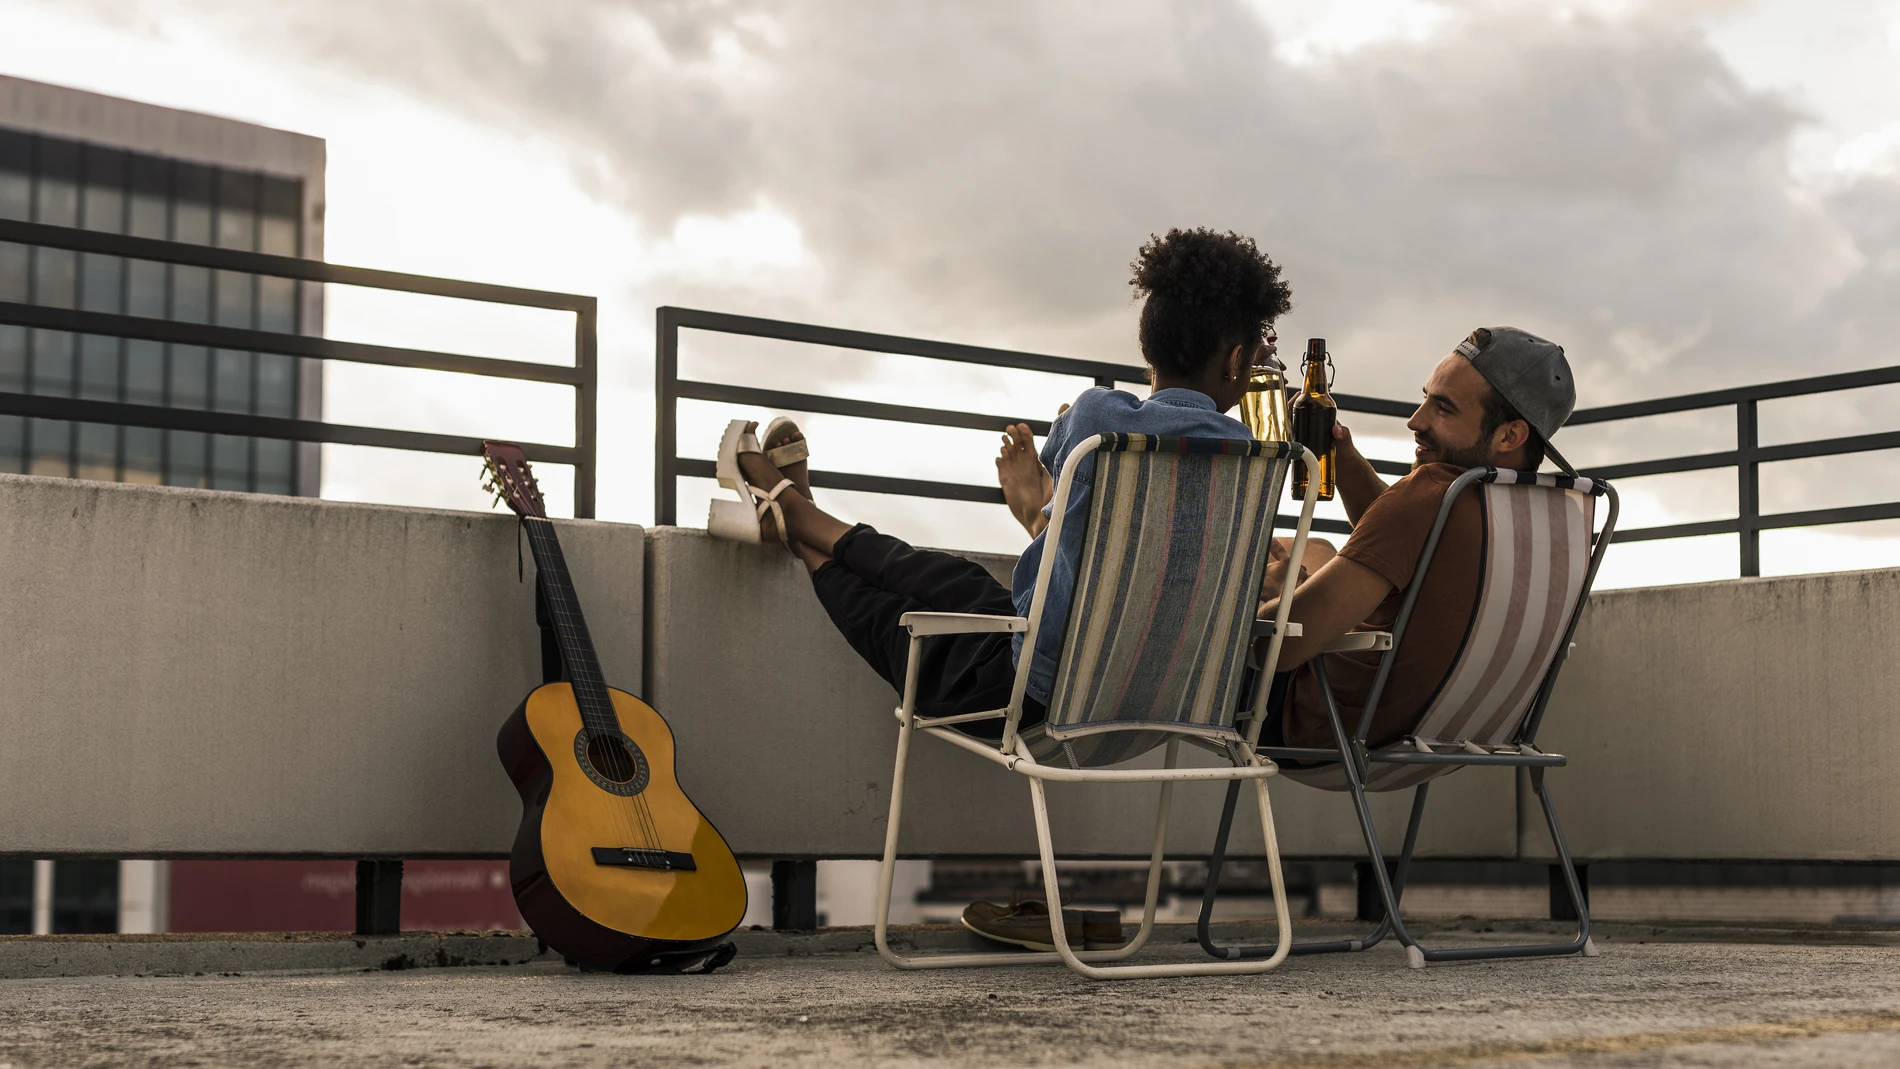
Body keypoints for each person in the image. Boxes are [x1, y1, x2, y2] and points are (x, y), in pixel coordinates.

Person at [707, 227, 1292, 950]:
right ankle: (798, 514)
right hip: (1166, 707)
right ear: (1239, 359)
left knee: (912, 613)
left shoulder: (1103, 421)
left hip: (1044, 702)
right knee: (960, 582)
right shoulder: (1255, 465)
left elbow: (1074, 446)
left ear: (1149, 343)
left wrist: (1041, 503)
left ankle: (794, 518)